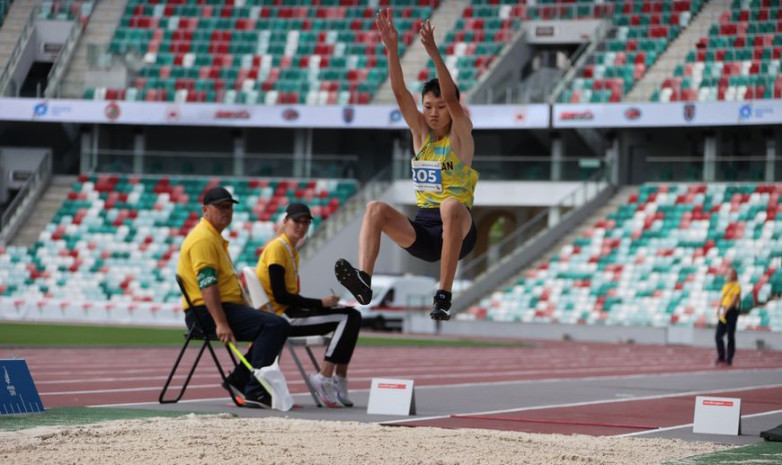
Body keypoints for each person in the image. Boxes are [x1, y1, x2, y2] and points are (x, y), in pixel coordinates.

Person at [335, 10, 478, 322]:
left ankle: (443, 295)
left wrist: (433, 52)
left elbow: (452, 98)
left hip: (459, 228)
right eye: (428, 107)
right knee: (374, 208)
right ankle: (364, 281)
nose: (434, 113)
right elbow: (400, 94)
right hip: (425, 233)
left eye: (440, 108)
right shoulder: (421, 136)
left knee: (451, 204)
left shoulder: (460, 135)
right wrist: (391, 50)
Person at [177, 186, 290, 408]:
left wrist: (247, 310)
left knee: (274, 324)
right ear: (205, 210)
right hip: (206, 313)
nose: (226, 212)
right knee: (275, 326)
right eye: (220, 207)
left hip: (219, 308)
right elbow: (207, 285)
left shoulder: (213, 237)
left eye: (229, 207)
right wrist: (220, 323)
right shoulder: (203, 239)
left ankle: (240, 380)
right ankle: (254, 390)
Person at [257, 202, 362, 408]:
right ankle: (326, 376)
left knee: (349, 314)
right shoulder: (278, 248)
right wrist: (319, 303)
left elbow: (289, 297)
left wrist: (322, 306)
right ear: (285, 221)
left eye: (306, 222)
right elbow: (281, 296)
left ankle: (338, 377)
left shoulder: (290, 251)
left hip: (290, 313)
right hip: (283, 318)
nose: (302, 226)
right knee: (349, 317)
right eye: (297, 221)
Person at [715, 268, 741, 367]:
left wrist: (726, 310)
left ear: (735, 276)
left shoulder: (737, 286)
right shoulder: (726, 286)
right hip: (724, 311)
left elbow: (734, 299)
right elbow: (723, 298)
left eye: (732, 274)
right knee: (718, 335)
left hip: (731, 312)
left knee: (730, 335)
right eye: (729, 273)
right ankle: (721, 356)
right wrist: (719, 308)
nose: (729, 275)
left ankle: (729, 359)